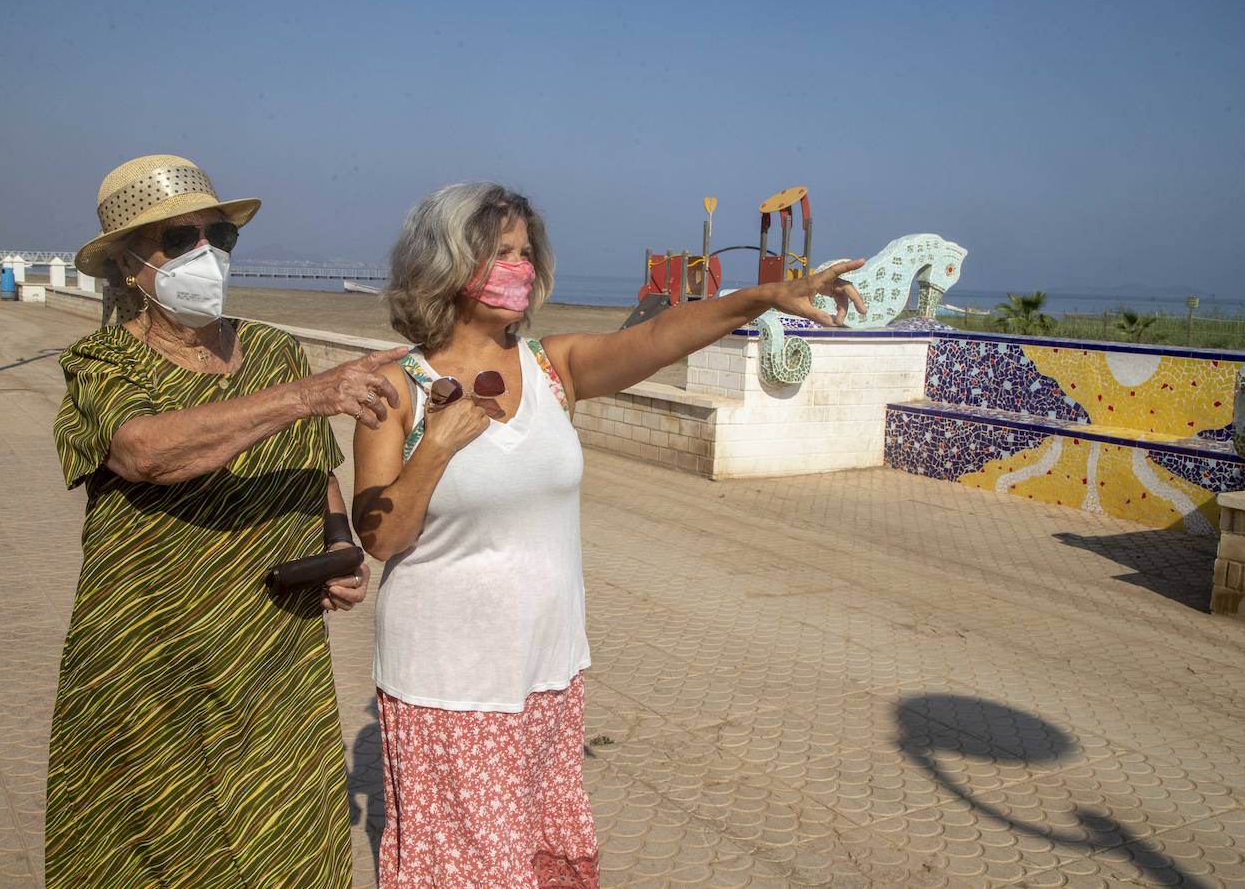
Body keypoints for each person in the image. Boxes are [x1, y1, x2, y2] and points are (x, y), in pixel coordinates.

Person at [352, 182, 866, 887]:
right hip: (452, 680)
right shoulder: (396, 388)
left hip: (549, 672)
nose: (520, 267)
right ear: (446, 264)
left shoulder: (549, 368)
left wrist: (760, 299)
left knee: (537, 858)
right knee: (476, 871)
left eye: (525, 252)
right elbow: (381, 536)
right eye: (500, 253)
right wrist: (436, 446)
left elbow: (657, 337)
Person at [48, 154, 406, 886]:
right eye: (181, 240)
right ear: (127, 263)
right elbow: (143, 450)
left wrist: (339, 548)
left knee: (285, 840)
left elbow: (318, 479)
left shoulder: (275, 351)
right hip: (152, 667)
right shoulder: (99, 360)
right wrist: (308, 396)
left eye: (220, 236)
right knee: (157, 850)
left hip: (274, 663)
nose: (207, 254)